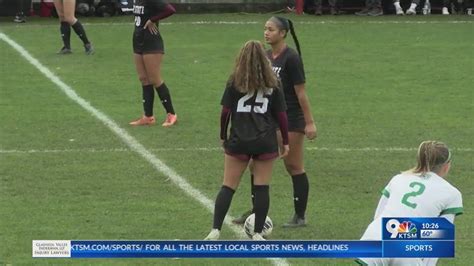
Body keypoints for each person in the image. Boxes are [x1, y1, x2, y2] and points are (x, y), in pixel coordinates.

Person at [232, 16, 317, 228]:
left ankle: (300, 215)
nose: (266, 33)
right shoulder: (267, 56)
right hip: (269, 118)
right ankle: (256, 211)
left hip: (291, 118)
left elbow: (301, 93)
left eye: (270, 29)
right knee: (255, 164)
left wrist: (309, 122)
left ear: (282, 33)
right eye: (265, 29)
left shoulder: (291, 58)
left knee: (293, 165)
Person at [204, 40, 290, 241]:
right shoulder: (274, 82)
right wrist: (285, 141)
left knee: (228, 186)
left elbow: (225, 112)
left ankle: (215, 230)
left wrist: (223, 135)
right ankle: (258, 233)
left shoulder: (235, 81)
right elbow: (282, 115)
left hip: (239, 140)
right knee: (262, 187)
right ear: (264, 58)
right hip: (265, 140)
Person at [356, 140, 463, 266]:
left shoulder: (398, 178)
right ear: (446, 165)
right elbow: (439, 239)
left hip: (376, 236)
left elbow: (378, 216)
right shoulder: (452, 193)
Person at [129, 0, 178, 127]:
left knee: (155, 79)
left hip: (151, 41)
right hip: (138, 39)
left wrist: (153, 20)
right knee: (144, 79)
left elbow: (170, 10)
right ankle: (148, 116)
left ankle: (171, 114)